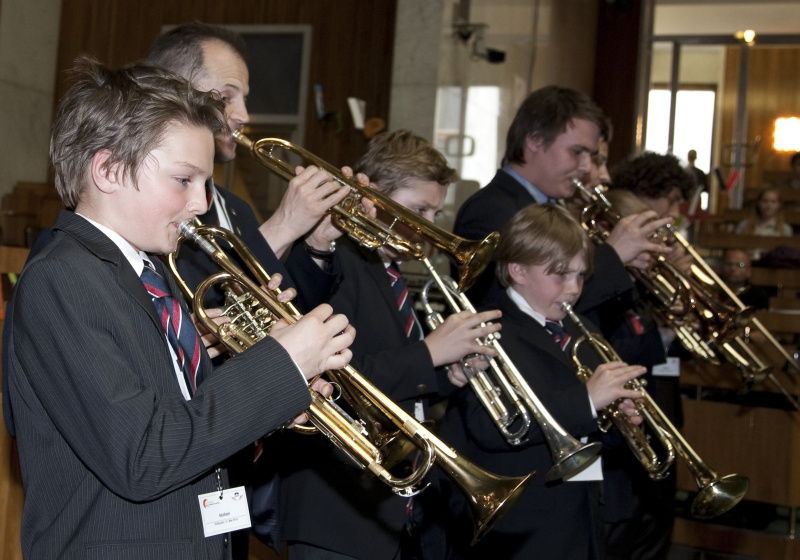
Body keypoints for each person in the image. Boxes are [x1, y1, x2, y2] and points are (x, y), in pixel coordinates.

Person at [2, 58, 356, 559]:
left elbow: (179, 420)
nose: (202, 203)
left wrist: (280, 393)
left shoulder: (144, 274)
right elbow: (144, 455)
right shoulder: (63, 278)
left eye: (207, 183)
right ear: (106, 170)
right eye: (184, 180)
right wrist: (279, 363)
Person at [275, 130, 501, 560]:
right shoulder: (335, 264)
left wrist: (446, 374)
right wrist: (431, 352)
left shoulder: (393, 274)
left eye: (436, 212)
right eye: (418, 210)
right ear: (373, 196)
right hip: (338, 508)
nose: (430, 228)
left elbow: (396, 376)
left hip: (391, 507)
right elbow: (337, 377)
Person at [447, 203, 646, 560]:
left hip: (582, 520)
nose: (573, 289)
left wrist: (620, 418)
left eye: (581, 275)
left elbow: (596, 429)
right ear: (518, 270)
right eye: (560, 274)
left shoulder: (582, 330)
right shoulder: (485, 332)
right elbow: (490, 426)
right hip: (523, 528)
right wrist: (586, 401)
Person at [147, 22, 352, 311]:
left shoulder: (237, 209)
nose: (243, 115)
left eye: (244, 98)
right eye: (227, 97)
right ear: (174, 91)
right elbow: (194, 310)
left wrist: (317, 241)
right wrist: (283, 226)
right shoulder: (148, 202)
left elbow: (289, 312)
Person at [452, 85, 673, 314]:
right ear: (535, 141)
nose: (586, 167)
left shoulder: (555, 206)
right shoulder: (489, 210)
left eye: (591, 155)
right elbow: (509, 306)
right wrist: (613, 256)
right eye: (577, 152)